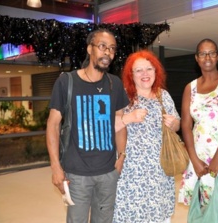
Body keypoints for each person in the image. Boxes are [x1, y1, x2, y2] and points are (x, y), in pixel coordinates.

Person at [46, 28, 146, 223]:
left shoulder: (114, 84)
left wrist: (122, 156)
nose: (108, 52)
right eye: (102, 46)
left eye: (112, 48)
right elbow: (53, 125)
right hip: (77, 174)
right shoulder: (67, 81)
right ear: (89, 49)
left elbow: (120, 122)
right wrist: (56, 167)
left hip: (108, 172)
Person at [112, 50, 180, 223]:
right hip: (131, 172)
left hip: (160, 171)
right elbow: (108, 128)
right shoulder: (122, 96)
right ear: (131, 75)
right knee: (130, 215)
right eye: (138, 70)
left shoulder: (162, 95)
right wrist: (129, 117)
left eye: (149, 69)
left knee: (159, 215)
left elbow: (177, 123)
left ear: (155, 72)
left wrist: (174, 124)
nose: (145, 74)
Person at [178, 38, 218, 222]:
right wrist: (194, 159)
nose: (207, 57)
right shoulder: (191, 88)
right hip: (200, 156)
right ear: (196, 58)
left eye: (212, 52)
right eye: (203, 53)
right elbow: (186, 126)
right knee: (206, 206)